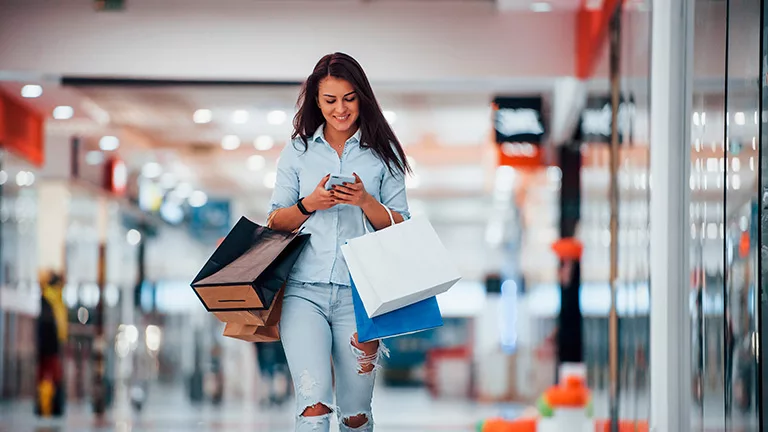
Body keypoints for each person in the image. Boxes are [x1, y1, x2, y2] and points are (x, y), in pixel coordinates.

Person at [267, 52, 411, 432]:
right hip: (303, 293)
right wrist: (308, 204)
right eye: (330, 100)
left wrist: (366, 202)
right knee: (313, 408)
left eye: (348, 98)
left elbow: (401, 227)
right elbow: (275, 221)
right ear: (317, 100)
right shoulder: (297, 152)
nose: (340, 109)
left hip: (360, 297)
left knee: (355, 414)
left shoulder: (384, 154)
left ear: (362, 97)